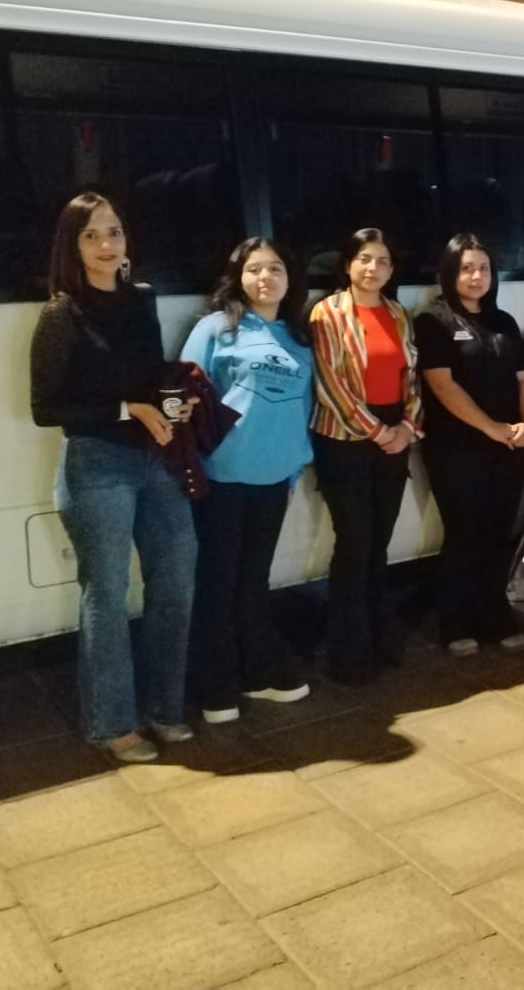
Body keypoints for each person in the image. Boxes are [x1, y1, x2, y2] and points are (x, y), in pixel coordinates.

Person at [29, 190, 195, 763]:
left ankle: (164, 706)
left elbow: (150, 376)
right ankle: (111, 722)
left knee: (175, 576)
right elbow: (45, 409)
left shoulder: (141, 300)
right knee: (106, 593)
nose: (106, 244)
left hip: (154, 458)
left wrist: (174, 403)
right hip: (96, 463)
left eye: (115, 232)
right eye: (92, 235)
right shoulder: (61, 313)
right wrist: (130, 411)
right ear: (71, 245)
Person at [179, 238, 313, 722]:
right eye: (254, 270)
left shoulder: (298, 336)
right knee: (217, 582)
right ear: (238, 277)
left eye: (275, 268)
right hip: (223, 477)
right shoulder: (216, 328)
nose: (265, 278)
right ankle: (214, 686)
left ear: (289, 277)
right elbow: (188, 397)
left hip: (274, 478)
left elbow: (303, 409)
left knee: (254, 580)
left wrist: (295, 468)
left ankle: (258, 672)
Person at [308, 228, 423, 684]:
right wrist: (381, 432)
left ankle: (380, 639)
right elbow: (330, 385)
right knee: (354, 543)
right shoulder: (327, 312)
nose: (373, 268)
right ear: (348, 265)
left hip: (394, 434)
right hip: (344, 438)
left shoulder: (398, 313)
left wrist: (408, 428)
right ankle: (347, 654)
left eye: (382, 261)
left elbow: (411, 377)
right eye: (364, 259)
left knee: (379, 543)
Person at [415, 234, 524, 656]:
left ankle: (495, 616)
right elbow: (442, 386)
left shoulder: (504, 322)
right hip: (456, 448)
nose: (476, 276)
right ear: (449, 272)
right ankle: (455, 622)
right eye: (466, 268)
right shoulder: (433, 321)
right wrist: (492, 428)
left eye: (483, 268)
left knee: (500, 533)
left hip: (507, 448)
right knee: (463, 534)